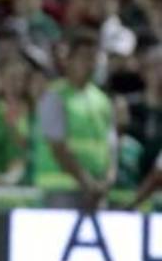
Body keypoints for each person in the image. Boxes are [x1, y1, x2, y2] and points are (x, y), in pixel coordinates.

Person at [34, 32, 118, 210]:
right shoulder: (54, 96)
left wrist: (109, 177)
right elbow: (57, 147)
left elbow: (110, 144)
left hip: (97, 189)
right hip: (61, 188)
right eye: (84, 58)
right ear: (69, 60)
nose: (90, 64)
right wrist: (87, 181)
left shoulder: (102, 100)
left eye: (94, 58)